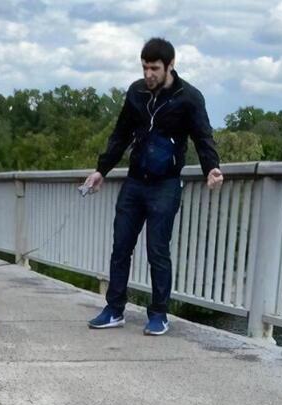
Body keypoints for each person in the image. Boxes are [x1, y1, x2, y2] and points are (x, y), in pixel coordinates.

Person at [83, 37, 223, 336]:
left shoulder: (188, 97)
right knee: (120, 247)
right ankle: (114, 310)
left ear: (170, 65)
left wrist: (211, 167)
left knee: (157, 250)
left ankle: (159, 314)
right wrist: (101, 170)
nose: (148, 74)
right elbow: (120, 134)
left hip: (166, 184)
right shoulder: (136, 92)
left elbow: (203, 137)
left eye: (154, 68)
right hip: (135, 182)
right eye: (145, 67)